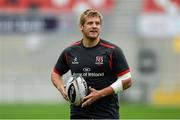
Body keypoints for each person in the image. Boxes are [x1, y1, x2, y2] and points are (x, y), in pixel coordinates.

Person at [51, 8, 132, 119]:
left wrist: (99, 94)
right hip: (78, 114)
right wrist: (62, 88)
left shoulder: (113, 51)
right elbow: (55, 73)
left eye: (97, 23)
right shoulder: (70, 51)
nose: (94, 26)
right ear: (81, 27)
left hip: (107, 115)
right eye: (90, 23)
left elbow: (127, 80)